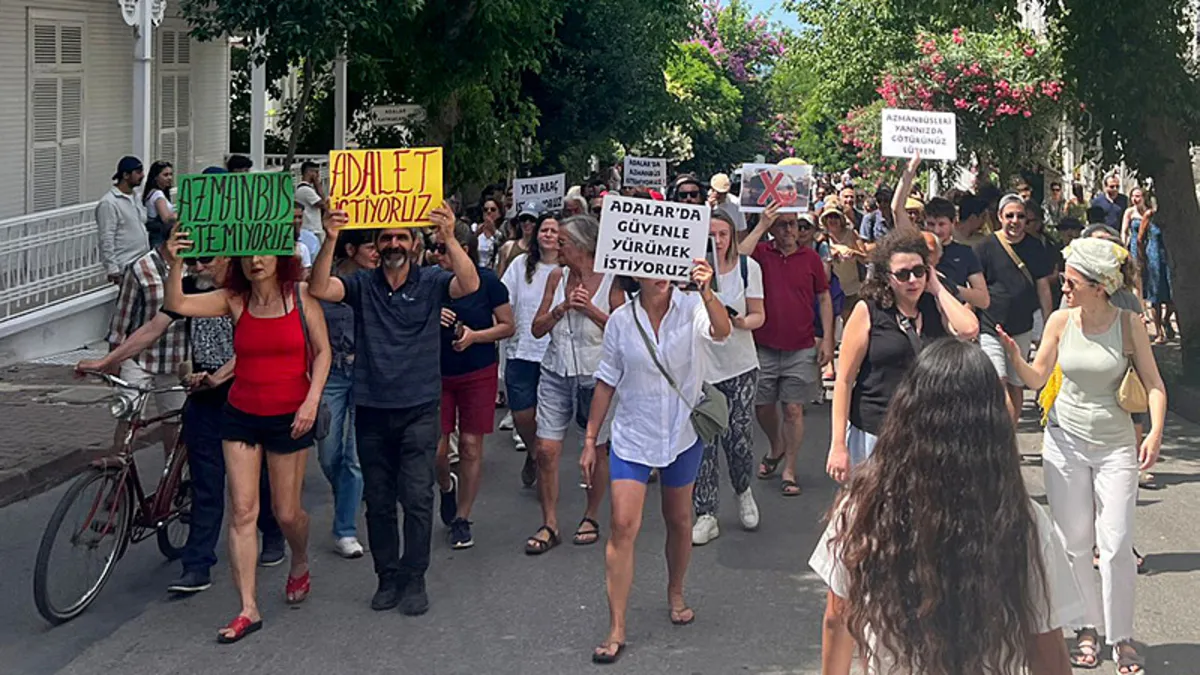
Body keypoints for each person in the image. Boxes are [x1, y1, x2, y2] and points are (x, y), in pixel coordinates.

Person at [812, 339, 1081, 675]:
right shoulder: (1019, 519)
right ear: (992, 424)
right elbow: (1047, 647)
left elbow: (837, 619)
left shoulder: (862, 507)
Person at [998, 237, 1167, 673]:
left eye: (1071, 280)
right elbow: (1038, 379)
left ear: (1098, 285)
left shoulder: (1128, 324)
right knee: (1074, 544)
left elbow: (1154, 385)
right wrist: (1015, 357)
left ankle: (1121, 636)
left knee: (1115, 544)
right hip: (1065, 442)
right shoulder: (1059, 320)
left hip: (1115, 446)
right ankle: (1086, 629)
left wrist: (1154, 435)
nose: (1063, 285)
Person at [76, 254, 286, 594]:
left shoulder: (248, 292)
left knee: (253, 479)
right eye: (192, 261)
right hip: (203, 399)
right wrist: (109, 360)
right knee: (206, 483)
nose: (197, 267)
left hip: (245, 398)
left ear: (227, 257)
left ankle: (273, 532)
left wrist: (219, 377)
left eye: (205, 260)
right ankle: (197, 565)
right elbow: (153, 328)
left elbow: (257, 343)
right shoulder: (190, 290)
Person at [308, 204, 479, 616]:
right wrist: (330, 238)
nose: (393, 244)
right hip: (371, 406)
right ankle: (387, 577)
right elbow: (318, 289)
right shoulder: (363, 284)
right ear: (376, 246)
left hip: (419, 406)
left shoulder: (434, 280)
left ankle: (415, 577)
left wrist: (451, 236)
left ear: (416, 244)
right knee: (380, 501)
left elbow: (469, 284)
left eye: (402, 237)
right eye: (386, 238)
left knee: (417, 497)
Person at [164, 226, 331, 644]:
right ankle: (248, 608)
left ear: (280, 257)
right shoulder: (233, 301)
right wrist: (174, 263)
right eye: (247, 255)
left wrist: (311, 400)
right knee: (242, 511)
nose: (256, 261)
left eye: (265, 253)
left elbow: (323, 351)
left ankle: (298, 558)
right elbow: (178, 303)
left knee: (287, 512)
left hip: (289, 416)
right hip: (240, 414)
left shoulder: (301, 296)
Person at [582, 258, 732, 664]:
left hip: (682, 433)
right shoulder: (619, 320)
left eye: (668, 263)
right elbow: (606, 380)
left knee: (679, 519)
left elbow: (722, 331)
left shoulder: (692, 306)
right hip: (633, 433)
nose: (661, 272)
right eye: (651, 266)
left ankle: (676, 591)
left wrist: (707, 290)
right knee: (622, 526)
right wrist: (591, 438)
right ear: (634, 274)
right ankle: (616, 626)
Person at [826, 231, 979, 481]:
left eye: (919, 271)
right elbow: (843, 381)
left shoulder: (934, 305)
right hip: (876, 431)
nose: (912, 280)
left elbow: (969, 329)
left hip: (927, 432)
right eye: (902, 274)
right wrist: (838, 444)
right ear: (888, 277)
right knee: (873, 513)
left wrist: (937, 288)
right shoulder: (869, 310)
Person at [524, 215, 626, 554]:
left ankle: (591, 514)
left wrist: (590, 311)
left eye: (563, 241)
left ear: (583, 246)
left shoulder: (612, 279)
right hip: (556, 371)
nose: (556, 246)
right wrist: (561, 309)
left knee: (595, 449)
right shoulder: (557, 277)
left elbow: (625, 332)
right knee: (546, 450)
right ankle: (549, 522)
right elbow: (536, 328)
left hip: (597, 378)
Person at [739, 204, 834, 497]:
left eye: (794, 225)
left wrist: (828, 338)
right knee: (762, 406)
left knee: (793, 409)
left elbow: (824, 297)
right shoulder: (761, 255)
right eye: (782, 225)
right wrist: (760, 226)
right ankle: (776, 445)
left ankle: (790, 468)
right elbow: (736, 259)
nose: (790, 231)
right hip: (763, 345)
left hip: (801, 346)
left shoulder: (811, 259)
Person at [433, 222, 515, 549]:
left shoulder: (489, 282)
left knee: (469, 445)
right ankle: (446, 488)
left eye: (443, 248)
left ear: (462, 249)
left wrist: (475, 337)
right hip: (437, 373)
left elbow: (508, 326)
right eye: (434, 248)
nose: (436, 255)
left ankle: (463, 518)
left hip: (477, 370)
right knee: (437, 451)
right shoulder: (429, 282)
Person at [691, 211, 765, 545]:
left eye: (723, 234)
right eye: (711, 235)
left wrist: (741, 322)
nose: (717, 241)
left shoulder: (749, 268)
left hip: (739, 365)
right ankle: (706, 512)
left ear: (732, 237)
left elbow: (758, 315)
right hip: (701, 368)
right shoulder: (688, 273)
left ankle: (743, 489)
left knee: (738, 437)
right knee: (704, 441)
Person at [317, 230, 378, 560]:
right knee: (328, 454)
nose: (376, 252)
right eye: (370, 245)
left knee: (354, 457)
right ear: (351, 248)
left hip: (366, 376)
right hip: (330, 375)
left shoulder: (380, 281)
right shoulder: (326, 278)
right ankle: (348, 495)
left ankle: (345, 530)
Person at [975, 194, 1056, 423]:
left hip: (1022, 327)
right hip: (990, 326)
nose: (1015, 220)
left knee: (1016, 384)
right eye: (1009, 215)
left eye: (1020, 216)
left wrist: (1050, 323)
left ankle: (1009, 435)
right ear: (1000, 217)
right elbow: (976, 287)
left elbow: (1043, 287)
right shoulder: (985, 247)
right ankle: (999, 434)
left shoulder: (1035, 247)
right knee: (996, 382)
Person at [500, 213, 561, 487]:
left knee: (548, 418)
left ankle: (545, 466)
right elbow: (504, 299)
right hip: (522, 350)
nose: (548, 234)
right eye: (544, 229)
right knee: (522, 414)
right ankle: (534, 452)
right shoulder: (520, 265)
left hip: (553, 354)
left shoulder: (569, 268)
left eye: (553, 230)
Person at [97, 156, 149, 284]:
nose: (142, 175)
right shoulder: (109, 203)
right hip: (125, 265)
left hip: (142, 263)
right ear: (125, 175)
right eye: (138, 172)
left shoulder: (135, 196)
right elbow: (106, 237)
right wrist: (112, 268)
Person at [820, 204, 866, 323]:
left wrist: (854, 253)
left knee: (851, 320)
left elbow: (866, 258)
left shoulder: (851, 234)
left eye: (835, 216)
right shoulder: (822, 238)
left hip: (852, 288)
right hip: (832, 289)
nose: (832, 220)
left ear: (841, 219)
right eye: (829, 217)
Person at [1136, 208, 1176, 344]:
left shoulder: (1173, 215)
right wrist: (1142, 258)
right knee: (1156, 297)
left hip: (1171, 258)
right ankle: (1159, 332)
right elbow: (1140, 239)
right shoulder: (1150, 215)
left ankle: (1166, 320)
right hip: (1154, 258)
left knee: (1173, 297)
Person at [496, 201, 540, 278]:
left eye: (532, 219)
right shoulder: (508, 247)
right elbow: (500, 277)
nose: (527, 222)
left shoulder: (542, 249)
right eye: (523, 219)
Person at [143, 161, 176, 248]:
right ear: (156, 177)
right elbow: (166, 218)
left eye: (171, 174)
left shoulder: (154, 193)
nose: (170, 178)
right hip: (159, 240)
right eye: (165, 175)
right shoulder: (157, 194)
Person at [294, 161, 327, 245]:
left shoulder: (305, 189)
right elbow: (323, 204)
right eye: (316, 172)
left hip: (311, 228)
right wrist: (317, 184)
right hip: (312, 229)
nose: (318, 175)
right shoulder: (306, 190)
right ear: (309, 172)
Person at [474, 196, 503, 268]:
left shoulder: (503, 229)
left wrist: (494, 231)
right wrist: (475, 235)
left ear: (499, 213)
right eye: (485, 209)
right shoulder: (474, 228)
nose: (489, 211)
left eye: (493, 209)